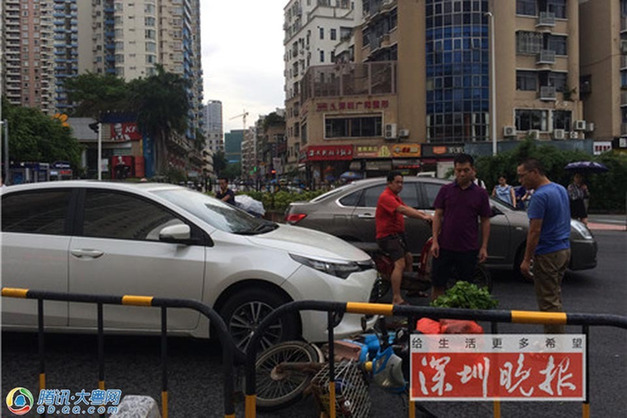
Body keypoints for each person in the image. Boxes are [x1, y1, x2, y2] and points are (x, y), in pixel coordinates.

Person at [517, 158, 571, 334]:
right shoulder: (560, 189)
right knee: (555, 296)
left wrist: (526, 260)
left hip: (547, 253)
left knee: (548, 302)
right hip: (563, 249)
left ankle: (554, 344)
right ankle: (555, 339)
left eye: (522, 176)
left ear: (534, 172)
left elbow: (534, 231)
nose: (520, 181)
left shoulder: (539, 196)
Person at [431, 154, 491, 301]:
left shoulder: (481, 194)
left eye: (466, 170)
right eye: (459, 170)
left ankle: (462, 315)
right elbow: (438, 215)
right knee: (438, 284)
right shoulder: (445, 190)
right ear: (455, 170)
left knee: (465, 288)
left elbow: (485, 220)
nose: (462, 174)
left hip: (468, 248)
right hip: (444, 246)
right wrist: (435, 241)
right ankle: (435, 313)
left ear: (473, 170)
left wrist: (484, 247)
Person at [376, 171, 433, 305]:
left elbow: (407, 208)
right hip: (388, 236)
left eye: (402, 182)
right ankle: (396, 297)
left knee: (409, 258)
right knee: (400, 264)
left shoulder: (395, 197)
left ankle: (411, 289)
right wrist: (423, 217)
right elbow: (402, 210)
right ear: (389, 183)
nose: (400, 185)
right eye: (397, 182)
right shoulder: (386, 197)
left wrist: (424, 215)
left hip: (398, 234)